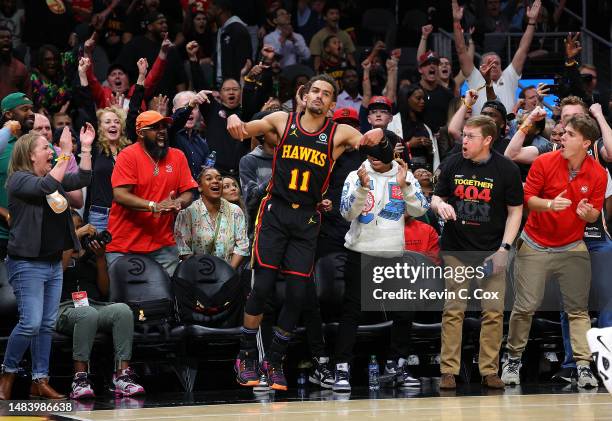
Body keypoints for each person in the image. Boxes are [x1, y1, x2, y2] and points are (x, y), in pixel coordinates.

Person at [226, 74, 394, 390]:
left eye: (326, 93)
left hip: (307, 219)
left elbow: (380, 154)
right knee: (261, 288)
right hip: (275, 213)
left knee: (298, 293)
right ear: (304, 95)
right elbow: (244, 130)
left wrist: (379, 138)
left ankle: (274, 361)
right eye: (314, 90)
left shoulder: (340, 132)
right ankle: (246, 355)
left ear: (332, 104)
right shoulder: (281, 120)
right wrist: (234, 119)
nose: (318, 96)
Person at [501, 115, 605, 388]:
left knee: (578, 310)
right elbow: (526, 199)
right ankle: (512, 359)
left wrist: (590, 213)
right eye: (562, 133)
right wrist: (548, 205)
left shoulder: (598, 173)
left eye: (569, 134)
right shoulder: (545, 161)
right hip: (535, 242)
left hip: (572, 245)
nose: (562, 138)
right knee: (524, 307)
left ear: (586, 143)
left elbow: (594, 214)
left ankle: (583, 366)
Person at [0, 125, 93, 400]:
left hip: (53, 263)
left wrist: (85, 148)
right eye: (45, 148)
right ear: (30, 155)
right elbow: (46, 186)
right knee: (30, 322)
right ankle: (7, 373)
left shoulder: (54, 178)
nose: (50, 152)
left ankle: (40, 380)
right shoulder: (19, 180)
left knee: (46, 324)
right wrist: (64, 154)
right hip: (26, 263)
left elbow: (84, 177)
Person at [431, 115, 524, 389]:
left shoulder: (506, 169)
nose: (464, 140)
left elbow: (515, 211)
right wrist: (439, 206)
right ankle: (448, 370)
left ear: (487, 140)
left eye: (471, 136)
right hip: (457, 249)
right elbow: (437, 196)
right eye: (464, 135)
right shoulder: (452, 163)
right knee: (453, 310)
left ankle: (489, 371)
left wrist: (504, 249)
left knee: (493, 312)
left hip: (491, 251)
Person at [332, 156, 429, 392]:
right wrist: (363, 188)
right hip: (360, 251)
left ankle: (397, 364)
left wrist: (405, 184)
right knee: (352, 312)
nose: (372, 155)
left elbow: (420, 209)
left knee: (404, 310)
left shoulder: (404, 174)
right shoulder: (357, 173)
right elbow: (346, 213)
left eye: (378, 150)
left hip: (393, 252)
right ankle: (342, 367)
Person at [57, 211, 145, 399]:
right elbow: (57, 273)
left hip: (94, 305)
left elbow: (105, 290)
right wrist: (71, 239)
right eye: (73, 227)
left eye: (81, 225)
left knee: (122, 310)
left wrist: (99, 258)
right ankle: (79, 379)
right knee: (87, 314)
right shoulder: (55, 250)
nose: (80, 230)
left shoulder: (90, 254)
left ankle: (122, 375)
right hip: (64, 308)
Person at [105, 110, 198, 276]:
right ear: (141, 133)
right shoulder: (128, 155)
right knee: (123, 299)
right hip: (125, 244)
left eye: (164, 126)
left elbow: (188, 192)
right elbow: (120, 194)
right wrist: (153, 206)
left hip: (162, 243)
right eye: (155, 127)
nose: (162, 130)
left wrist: (179, 203)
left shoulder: (178, 156)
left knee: (167, 296)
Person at [452, 0, 541, 114]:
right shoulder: (475, 77)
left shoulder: (509, 77)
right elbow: (461, 50)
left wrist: (532, 22)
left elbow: (523, 49)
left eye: (496, 63)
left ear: (502, 67)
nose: (493, 66)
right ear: (480, 67)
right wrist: (456, 21)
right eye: (489, 63)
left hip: (508, 129)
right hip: (480, 129)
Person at [174, 167, 249, 269]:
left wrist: (228, 273)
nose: (215, 181)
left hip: (228, 274)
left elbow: (242, 246)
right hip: (197, 275)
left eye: (219, 179)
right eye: (209, 179)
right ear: (200, 187)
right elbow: (183, 250)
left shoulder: (235, 211)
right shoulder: (187, 214)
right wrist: (204, 272)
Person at [0, 92, 35, 260]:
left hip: (32, 236)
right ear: (9, 114)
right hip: (2, 236)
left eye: (32, 109)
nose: (31, 113)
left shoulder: (40, 144)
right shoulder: (2, 146)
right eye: (24, 109)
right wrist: (4, 213)